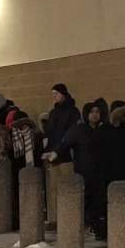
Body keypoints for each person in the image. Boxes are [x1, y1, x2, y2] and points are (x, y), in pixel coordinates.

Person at [51, 98, 110, 240]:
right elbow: (64, 143)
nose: (95, 115)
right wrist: (55, 154)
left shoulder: (103, 130)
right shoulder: (78, 130)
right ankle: (78, 227)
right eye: (91, 112)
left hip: (100, 172)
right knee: (85, 201)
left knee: (99, 201)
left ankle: (98, 230)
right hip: (83, 172)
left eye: (97, 112)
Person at [44, 84, 81, 227]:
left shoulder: (73, 111)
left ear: (64, 94)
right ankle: (55, 219)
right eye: (52, 94)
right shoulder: (53, 112)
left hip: (66, 155)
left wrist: (59, 149)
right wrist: (47, 150)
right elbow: (49, 133)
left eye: (56, 93)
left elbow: (71, 134)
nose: (54, 96)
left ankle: (68, 218)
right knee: (54, 188)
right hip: (53, 155)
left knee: (67, 187)